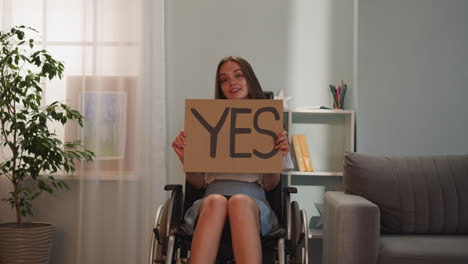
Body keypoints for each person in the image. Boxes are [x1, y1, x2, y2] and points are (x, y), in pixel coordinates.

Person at [172, 56, 290, 264]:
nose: (231, 83)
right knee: (217, 202)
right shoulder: (205, 121)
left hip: (253, 202)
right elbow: (198, 182)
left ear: (250, 79)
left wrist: (278, 156)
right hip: (210, 200)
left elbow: (271, 184)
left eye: (238, 75)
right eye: (223, 79)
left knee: (239, 202)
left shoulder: (270, 124)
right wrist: (187, 160)